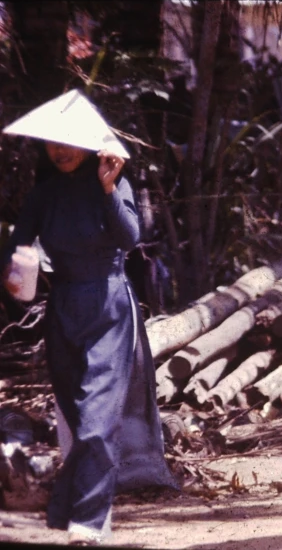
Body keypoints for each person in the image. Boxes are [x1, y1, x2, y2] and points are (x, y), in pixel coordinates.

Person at [1, 89, 177, 546]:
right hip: (61, 312)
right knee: (81, 421)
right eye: (52, 143)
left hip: (109, 306)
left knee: (99, 421)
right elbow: (19, 246)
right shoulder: (43, 195)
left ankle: (87, 520)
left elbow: (131, 236)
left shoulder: (111, 181)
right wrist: (14, 271)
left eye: (69, 142)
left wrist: (106, 190)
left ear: (88, 144)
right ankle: (76, 507)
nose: (59, 151)